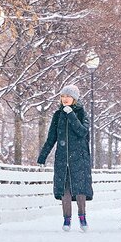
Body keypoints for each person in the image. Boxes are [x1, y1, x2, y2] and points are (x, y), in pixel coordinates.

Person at [37, 85, 93, 232]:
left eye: (68, 96)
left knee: (80, 189)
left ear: (74, 98)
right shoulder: (57, 115)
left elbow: (82, 131)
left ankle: (82, 217)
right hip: (63, 159)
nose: (65, 99)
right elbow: (51, 138)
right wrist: (42, 157)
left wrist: (71, 115)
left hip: (79, 158)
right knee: (65, 189)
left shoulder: (82, 114)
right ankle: (67, 219)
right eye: (63, 96)